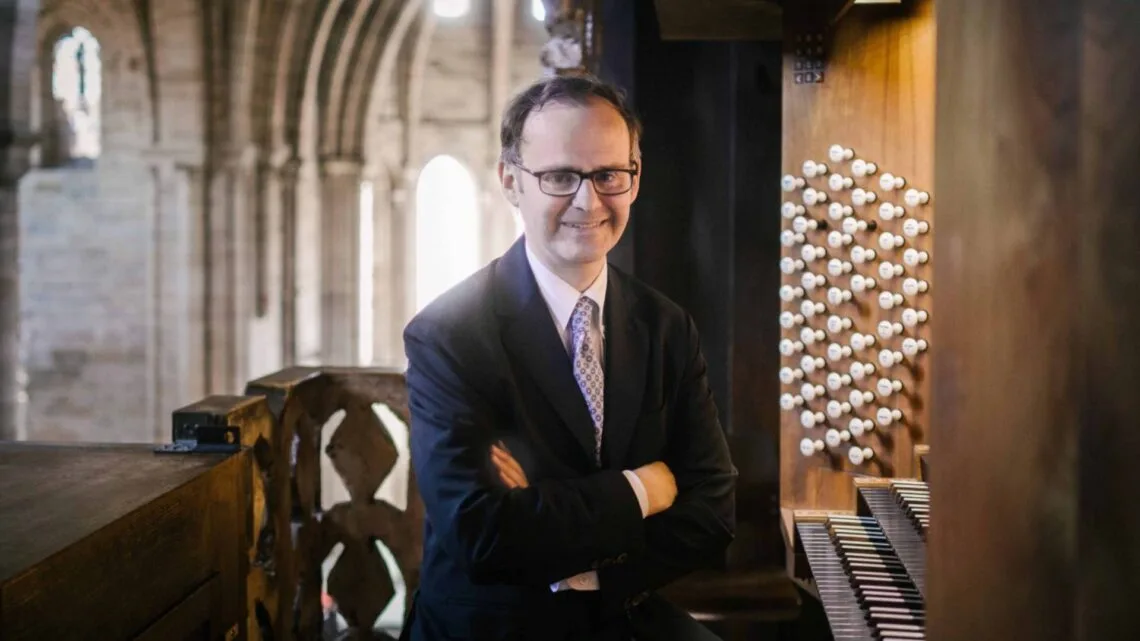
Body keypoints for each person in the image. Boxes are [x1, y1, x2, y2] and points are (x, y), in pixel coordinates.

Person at [401, 73, 737, 641]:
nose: (589, 201)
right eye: (560, 176)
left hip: (622, 611)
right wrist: (643, 491)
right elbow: (483, 536)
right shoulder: (447, 336)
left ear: (635, 177)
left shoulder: (666, 326)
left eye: (609, 174)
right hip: (494, 627)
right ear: (511, 181)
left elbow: (712, 513)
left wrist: (566, 542)